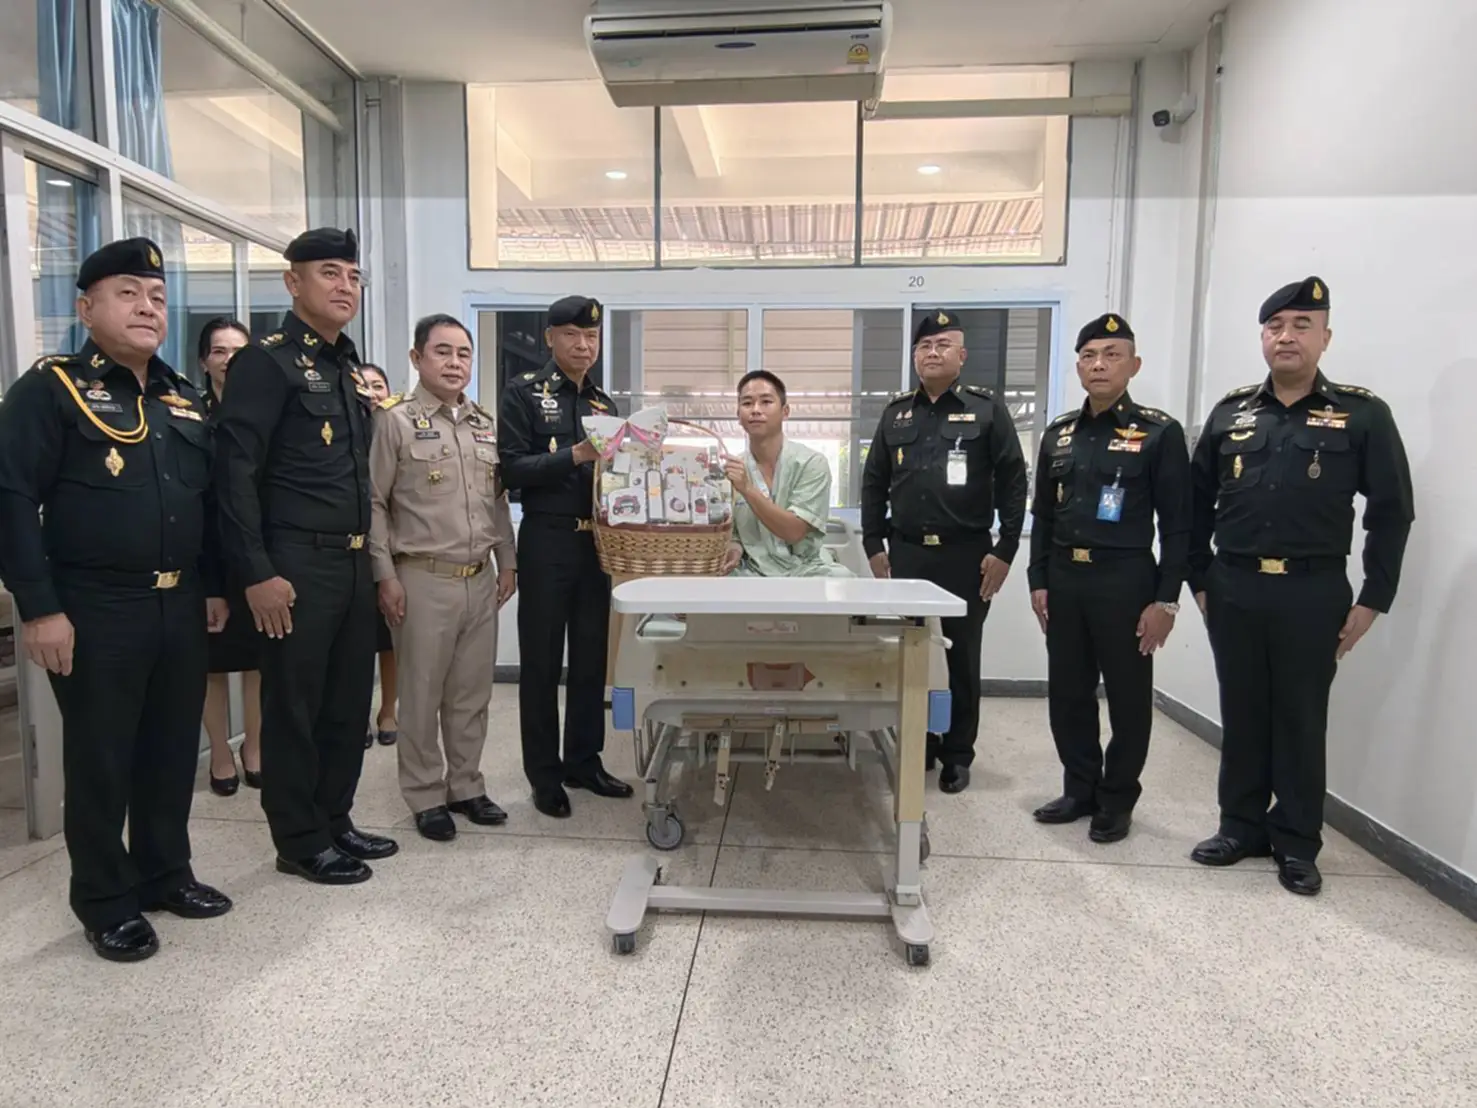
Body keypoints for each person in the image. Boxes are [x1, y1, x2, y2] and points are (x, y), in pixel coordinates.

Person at [0, 238, 232, 962]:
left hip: (179, 603)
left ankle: (166, 873)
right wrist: (39, 608)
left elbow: (204, 504)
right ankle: (105, 899)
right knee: (102, 759)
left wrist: (213, 587)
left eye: (157, 297)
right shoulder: (51, 388)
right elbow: (12, 497)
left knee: (171, 749)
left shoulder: (179, 397)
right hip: (95, 606)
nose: (147, 307)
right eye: (128, 293)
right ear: (86, 308)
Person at [1187, 276, 1414, 896]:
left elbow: (1392, 511)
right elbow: (1193, 504)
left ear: (1325, 337)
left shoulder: (1362, 414)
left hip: (1312, 593)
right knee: (1242, 711)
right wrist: (1199, 579)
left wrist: (1374, 598)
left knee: (1300, 717)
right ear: (1263, 336)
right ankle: (1239, 827)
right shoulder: (1231, 412)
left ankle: (1295, 840)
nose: (1286, 336)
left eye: (1301, 325)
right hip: (1233, 586)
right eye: (1275, 326)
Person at [213, 227, 399, 885]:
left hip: (350, 562)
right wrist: (256, 572)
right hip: (294, 563)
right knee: (294, 706)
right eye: (329, 273)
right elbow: (234, 473)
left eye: (353, 275)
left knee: (346, 703)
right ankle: (297, 840)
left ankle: (334, 819)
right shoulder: (265, 363)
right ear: (293, 282)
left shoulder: (346, 365)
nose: (345, 285)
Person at [1026, 314, 1191, 843]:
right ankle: (1080, 789)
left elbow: (1179, 526)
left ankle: (1117, 799)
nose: (1099, 364)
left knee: (1127, 697)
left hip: (1126, 581)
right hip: (1065, 579)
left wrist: (1166, 601)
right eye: (1089, 356)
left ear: (1133, 365)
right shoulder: (1059, 435)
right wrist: (1038, 579)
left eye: (1112, 354)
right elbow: (1043, 516)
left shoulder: (1159, 433)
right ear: (1078, 366)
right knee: (1068, 692)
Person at [861, 310, 1029, 794]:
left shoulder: (986, 410)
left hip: (966, 556)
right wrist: (873, 543)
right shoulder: (896, 413)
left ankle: (957, 752)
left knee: (961, 657)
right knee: (912, 653)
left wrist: (1006, 548)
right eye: (924, 346)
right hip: (908, 554)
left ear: (962, 355)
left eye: (942, 344)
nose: (932, 353)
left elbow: (1014, 482)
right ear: (914, 356)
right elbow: (873, 482)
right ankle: (922, 741)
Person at [370, 314, 518, 841]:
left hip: (479, 578)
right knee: (421, 694)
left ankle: (466, 786)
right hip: (421, 579)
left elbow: (496, 501)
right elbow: (374, 502)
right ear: (417, 358)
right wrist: (384, 575)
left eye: (463, 353)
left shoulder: (483, 424)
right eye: (443, 352)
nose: (455, 363)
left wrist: (508, 560)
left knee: (471, 695)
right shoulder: (395, 421)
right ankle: (425, 794)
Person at [498, 295, 632, 819]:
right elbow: (512, 469)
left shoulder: (604, 405)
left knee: (591, 657)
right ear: (550, 337)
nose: (583, 345)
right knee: (542, 661)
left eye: (592, 336)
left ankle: (583, 760)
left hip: (595, 543)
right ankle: (544, 774)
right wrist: (574, 455)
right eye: (572, 335)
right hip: (547, 539)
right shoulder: (524, 393)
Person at [197, 317, 263, 796]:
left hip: (256, 555)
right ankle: (220, 752)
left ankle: (254, 747)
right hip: (208, 553)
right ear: (204, 361)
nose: (228, 360)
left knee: (259, 660)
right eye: (219, 351)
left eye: (238, 351)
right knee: (213, 664)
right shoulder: (189, 414)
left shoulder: (263, 413)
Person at [720, 370, 852, 578]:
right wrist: (735, 550)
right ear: (738, 415)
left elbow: (794, 532)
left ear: (785, 411)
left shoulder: (811, 463)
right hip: (751, 571)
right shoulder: (731, 470)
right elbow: (734, 532)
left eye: (766, 402)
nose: (756, 410)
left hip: (806, 570)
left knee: (841, 581)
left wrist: (747, 489)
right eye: (747, 403)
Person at [357, 363, 400, 750]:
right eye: (363, 386)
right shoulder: (345, 429)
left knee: (390, 639)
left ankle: (388, 710)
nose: (371, 393)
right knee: (356, 641)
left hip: (391, 548)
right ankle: (357, 713)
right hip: (352, 551)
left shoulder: (396, 427)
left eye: (378, 385)